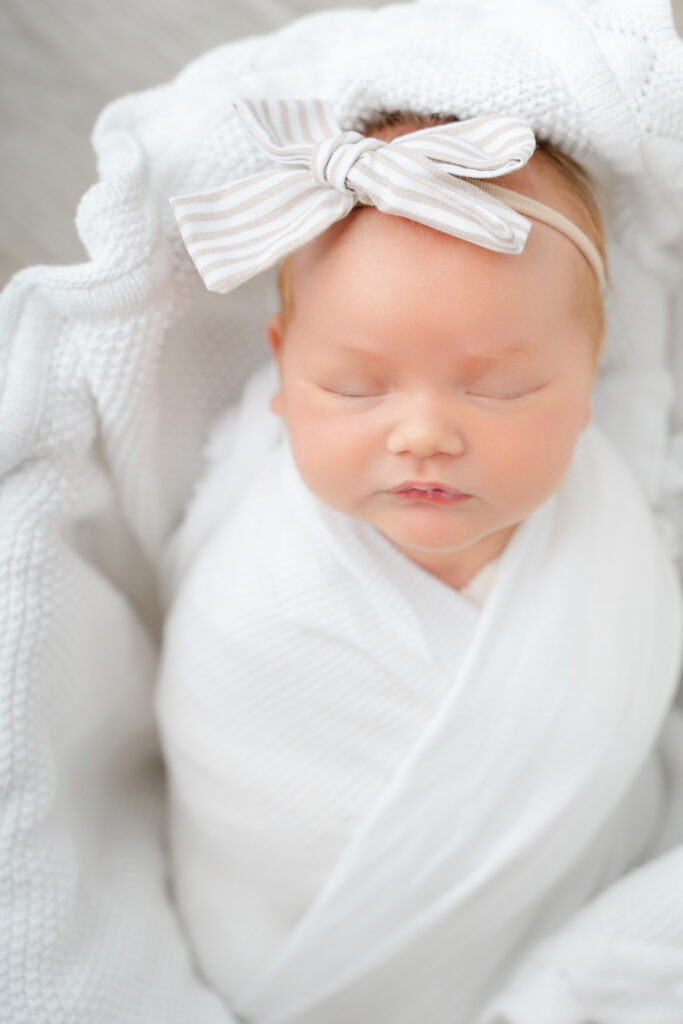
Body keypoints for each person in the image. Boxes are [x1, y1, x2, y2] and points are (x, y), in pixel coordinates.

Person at [155, 101, 681, 1024]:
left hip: (575, 904)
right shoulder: (258, 585)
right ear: (279, 376)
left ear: (590, 378)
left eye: (501, 388)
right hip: (299, 949)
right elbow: (224, 756)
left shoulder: (613, 518)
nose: (425, 434)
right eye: (352, 388)